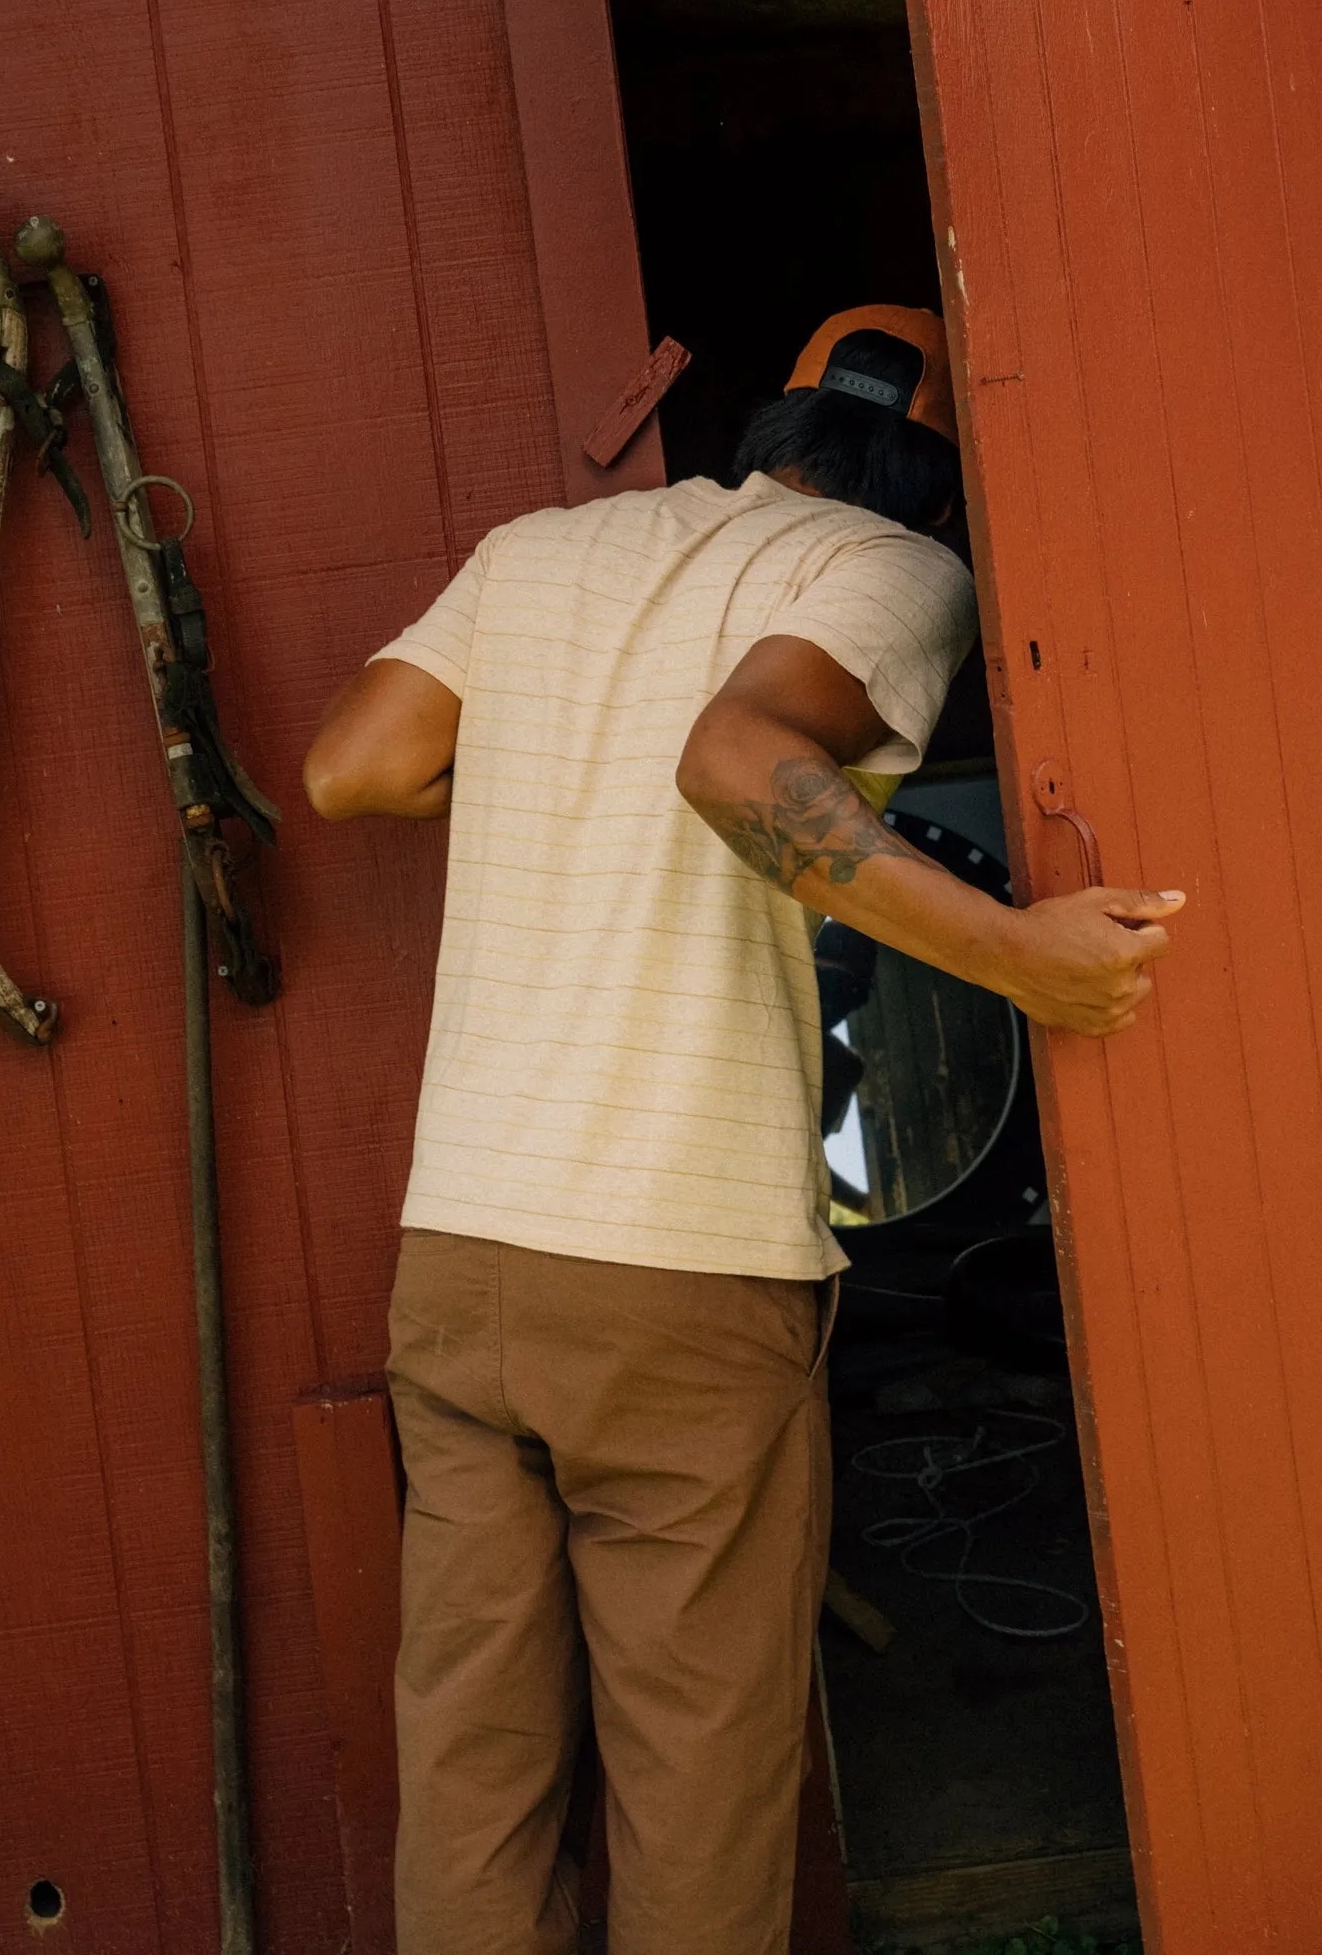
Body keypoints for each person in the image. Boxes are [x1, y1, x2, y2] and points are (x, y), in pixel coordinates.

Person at [302, 304, 1181, 1955]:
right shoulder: (897, 571)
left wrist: (551, 778)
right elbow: (735, 757)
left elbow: (351, 767)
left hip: (465, 1255)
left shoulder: (543, 550)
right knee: (696, 1785)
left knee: (473, 1772)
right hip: (679, 1278)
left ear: (774, 429)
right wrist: (1026, 963)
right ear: (934, 487)